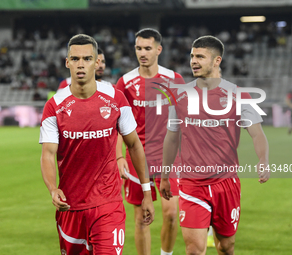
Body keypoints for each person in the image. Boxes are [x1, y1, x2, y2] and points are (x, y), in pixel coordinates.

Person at [39, 34, 154, 255]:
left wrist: (146, 192)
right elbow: (48, 154)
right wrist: (53, 189)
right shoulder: (54, 107)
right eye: (75, 59)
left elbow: (134, 145)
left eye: (87, 59)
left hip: (108, 205)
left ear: (97, 62)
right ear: (67, 62)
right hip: (70, 207)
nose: (81, 64)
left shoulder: (116, 99)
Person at [160, 35, 270, 255]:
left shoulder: (238, 95)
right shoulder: (180, 95)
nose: (193, 61)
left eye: (200, 56)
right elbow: (172, 137)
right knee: (194, 249)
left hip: (226, 184)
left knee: (226, 247)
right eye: (192, 56)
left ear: (217, 60)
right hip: (192, 184)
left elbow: (257, 134)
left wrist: (263, 160)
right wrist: (164, 175)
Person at [116, 28, 185, 255]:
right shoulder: (125, 83)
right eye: (138, 48)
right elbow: (118, 127)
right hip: (137, 156)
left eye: (147, 48)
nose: (142, 53)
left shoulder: (174, 79)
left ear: (159, 49)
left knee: (171, 215)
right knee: (142, 218)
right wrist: (118, 157)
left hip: (167, 157)